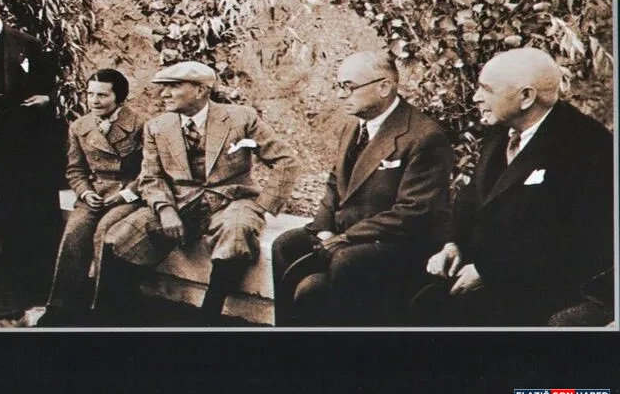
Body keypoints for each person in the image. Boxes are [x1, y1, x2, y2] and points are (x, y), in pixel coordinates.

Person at [413, 47, 614, 326]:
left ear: (526, 97)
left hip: (540, 287)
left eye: (486, 89)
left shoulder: (585, 145)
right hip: (485, 271)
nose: (476, 97)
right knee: (417, 298)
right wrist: (452, 244)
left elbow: (572, 242)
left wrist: (489, 272)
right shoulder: (502, 131)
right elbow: (472, 198)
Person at [102, 61, 299, 323]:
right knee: (123, 236)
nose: (164, 94)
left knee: (237, 230)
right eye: (163, 87)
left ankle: (209, 316)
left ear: (200, 90)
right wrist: (165, 209)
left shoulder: (241, 118)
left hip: (232, 200)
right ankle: (122, 318)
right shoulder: (157, 126)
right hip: (179, 202)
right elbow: (151, 177)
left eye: (174, 87)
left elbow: (286, 161)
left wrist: (262, 205)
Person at [272, 50, 454, 326]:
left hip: (397, 242)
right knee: (286, 244)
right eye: (338, 86)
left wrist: (347, 237)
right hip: (350, 234)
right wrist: (324, 229)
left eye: (349, 87)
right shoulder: (352, 126)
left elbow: (414, 211)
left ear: (384, 86)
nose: (340, 95)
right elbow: (334, 183)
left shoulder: (424, 136)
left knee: (346, 260)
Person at [37, 69, 144, 326]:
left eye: (102, 95)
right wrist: (85, 192)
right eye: (90, 94)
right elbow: (75, 170)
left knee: (105, 232)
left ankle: (101, 307)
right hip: (94, 194)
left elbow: (149, 171)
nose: (94, 101)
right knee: (74, 232)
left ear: (120, 98)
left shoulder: (141, 125)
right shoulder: (79, 126)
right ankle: (60, 306)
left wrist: (125, 194)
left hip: (128, 195)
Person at [0, 0, 61, 315]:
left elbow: (50, 90)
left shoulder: (27, 44)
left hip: (18, 144)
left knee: (20, 213)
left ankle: (21, 291)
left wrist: (46, 99)